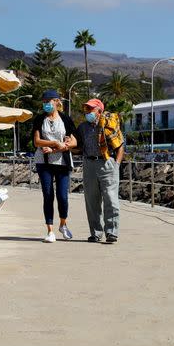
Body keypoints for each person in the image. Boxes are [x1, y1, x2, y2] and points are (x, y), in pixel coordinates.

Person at [75, 98, 124, 244]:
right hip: (89, 163)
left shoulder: (108, 126)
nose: (88, 112)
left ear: (99, 111)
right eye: (86, 109)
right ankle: (95, 233)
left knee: (111, 199)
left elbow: (120, 147)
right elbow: (78, 146)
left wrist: (116, 164)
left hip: (107, 164)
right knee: (91, 201)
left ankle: (112, 232)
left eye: (91, 109)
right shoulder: (82, 127)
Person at [32, 90, 77, 243]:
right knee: (48, 195)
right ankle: (50, 230)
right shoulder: (39, 119)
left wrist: (57, 148)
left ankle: (63, 224)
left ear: (57, 102)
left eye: (49, 101)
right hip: (43, 162)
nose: (46, 104)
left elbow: (73, 142)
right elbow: (37, 142)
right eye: (44, 101)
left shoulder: (65, 119)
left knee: (63, 196)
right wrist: (53, 143)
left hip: (62, 162)